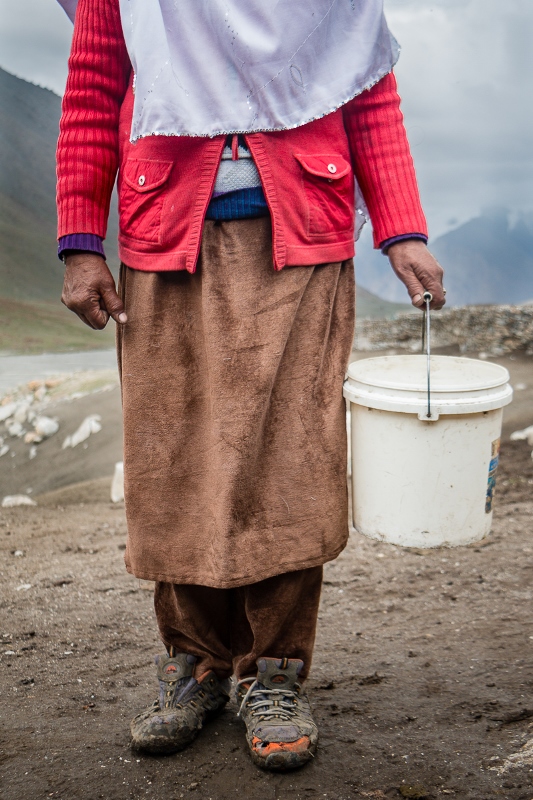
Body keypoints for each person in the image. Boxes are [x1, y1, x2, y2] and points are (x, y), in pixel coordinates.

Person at [56, 0, 444, 772]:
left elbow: (367, 90)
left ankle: (273, 672)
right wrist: (79, 241)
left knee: (292, 457)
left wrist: (403, 230)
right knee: (175, 456)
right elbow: (94, 90)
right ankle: (196, 662)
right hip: (165, 231)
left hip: (303, 234)